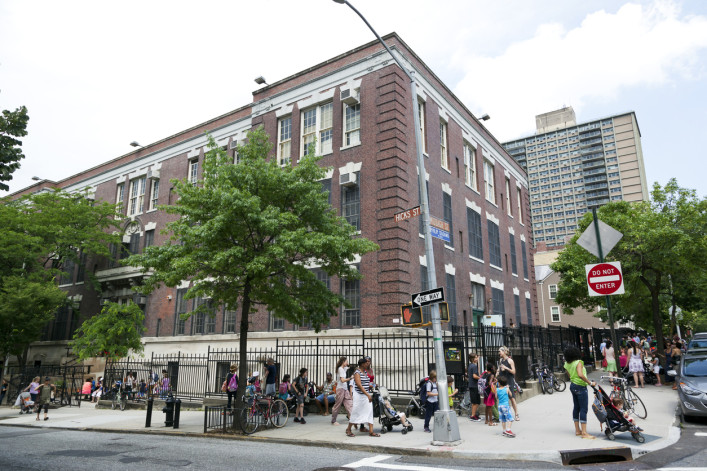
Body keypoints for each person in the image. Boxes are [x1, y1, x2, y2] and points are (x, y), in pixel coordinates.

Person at [563, 345, 596, 439]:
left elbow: (569, 376)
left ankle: (577, 430)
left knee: (576, 407)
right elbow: (580, 375)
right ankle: (584, 433)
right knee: (583, 409)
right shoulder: (578, 362)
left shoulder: (566, 364)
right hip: (581, 386)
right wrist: (590, 383)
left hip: (573, 386)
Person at [345, 358, 378, 437]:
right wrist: (367, 395)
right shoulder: (357, 373)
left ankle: (371, 431)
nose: (368, 363)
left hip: (366, 395)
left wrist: (374, 385)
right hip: (359, 396)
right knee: (356, 412)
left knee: (370, 412)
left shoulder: (365, 372)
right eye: (366, 363)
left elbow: (367, 383)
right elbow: (359, 385)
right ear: (362, 364)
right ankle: (348, 429)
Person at [498, 346, 519, 420]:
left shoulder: (510, 361)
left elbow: (514, 372)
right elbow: (499, 369)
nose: (499, 353)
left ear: (504, 352)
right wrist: (497, 373)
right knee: (503, 398)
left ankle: (516, 414)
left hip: (509, 381)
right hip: (502, 381)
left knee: (512, 398)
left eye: (500, 351)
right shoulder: (501, 360)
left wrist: (506, 368)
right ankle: (505, 414)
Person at [331, 356, 353, 426]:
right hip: (340, 389)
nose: (347, 363)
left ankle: (353, 419)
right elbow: (342, 380)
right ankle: (333, 420)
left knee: (349, 403)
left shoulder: (344, 368)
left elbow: (350, 367)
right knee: (337, 405)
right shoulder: (340, 369)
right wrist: (350, 378)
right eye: (346, 361)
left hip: (345, 389)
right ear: (343, 362)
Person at [467, 353, 481, 422]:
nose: (477, 358)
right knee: (476, 402)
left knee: (474, 401)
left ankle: (473, 414)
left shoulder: (470, 365)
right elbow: (474, 376)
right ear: (473, 359)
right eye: (476, 357)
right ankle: (473, 415)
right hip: (474, 385)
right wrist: (480, 378)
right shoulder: (474, 366)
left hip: (471, 385)